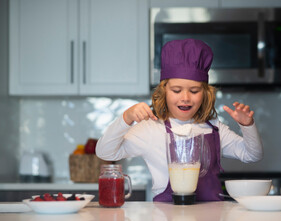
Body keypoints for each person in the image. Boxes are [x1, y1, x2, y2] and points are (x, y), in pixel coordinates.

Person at [96, 39, 263, 202]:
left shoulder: (213, 128)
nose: (185, 98)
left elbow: (252, 155)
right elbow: (105, 152)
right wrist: (126, 118)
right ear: (164, 92)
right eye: (176, 90)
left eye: (194, 90)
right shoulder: (150, 129)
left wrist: (247, 125)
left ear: (205, 93)